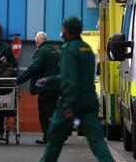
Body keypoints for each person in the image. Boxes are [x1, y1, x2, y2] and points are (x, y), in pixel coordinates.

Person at [36, 16, 115, 162]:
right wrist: (49, 80)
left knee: (54, 140)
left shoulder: (68, 49)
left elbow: (69, 81)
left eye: (63, 28)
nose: (61, 31)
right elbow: (76, 77)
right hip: (88, 103)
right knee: (97, 142)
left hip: (71, 103)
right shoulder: (87, 49)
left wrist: (67, 105)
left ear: (68, 31)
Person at [14, 32, 60, 144]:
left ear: (37, 41)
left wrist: (19, 79)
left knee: (45, 113)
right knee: (54, 112)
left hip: (45, 88)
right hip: (56, 87)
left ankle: (48, 137)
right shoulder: (55, 50)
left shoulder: (42, 51)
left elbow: (33, 68)